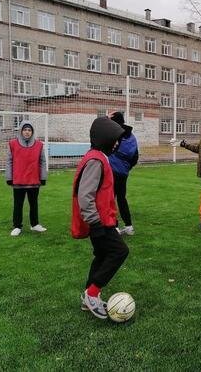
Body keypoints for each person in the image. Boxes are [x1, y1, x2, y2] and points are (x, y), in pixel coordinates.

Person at [72, 116, 129, 320]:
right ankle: (93, 293)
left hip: (105, 220)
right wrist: (95, 223)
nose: (116, 143)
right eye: (114, 139)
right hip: (99, 222)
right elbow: (85, 196)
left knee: (102, 256)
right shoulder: (95, 160)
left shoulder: (99, 156)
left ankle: (87, 297)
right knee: (119, 251)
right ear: (104, 138)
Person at [5, 120, 47, 237]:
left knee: (34, 204)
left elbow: (42, 162)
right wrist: (9, 177)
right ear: (21, 131)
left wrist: (43, 177)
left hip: (34, 181)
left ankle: (35, 224)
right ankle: (17, 226)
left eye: (29, 130)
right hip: (18, 181)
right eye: (25, 130)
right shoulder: (13, 144)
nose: (27, 132)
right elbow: (9, 161)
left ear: (32, 132)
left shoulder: (39, 145)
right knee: (18, 204)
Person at [108, 111, 139, 236]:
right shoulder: (132, 137)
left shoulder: (115, 134)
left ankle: (114, 226)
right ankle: (128, 226)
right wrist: (126, 167)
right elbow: (135, 157)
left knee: (110, 198)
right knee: (122, 198)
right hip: (123, 172)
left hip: (113, 170)